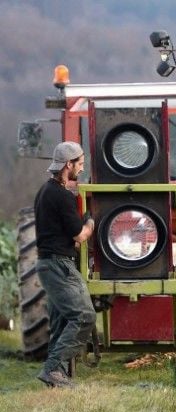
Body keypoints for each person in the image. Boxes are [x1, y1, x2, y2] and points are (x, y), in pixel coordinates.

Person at [33, 141, 96, 388]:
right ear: (68, 164)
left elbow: (58, 232)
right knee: (84, 316)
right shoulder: (62, 195)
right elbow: (79, 235)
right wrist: (90, 222)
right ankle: (52, 369)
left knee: (60, 321)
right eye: (80, 164)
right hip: (59, 265)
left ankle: (56, 376)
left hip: (48, 264)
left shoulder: (44, 191)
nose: (82, 168)